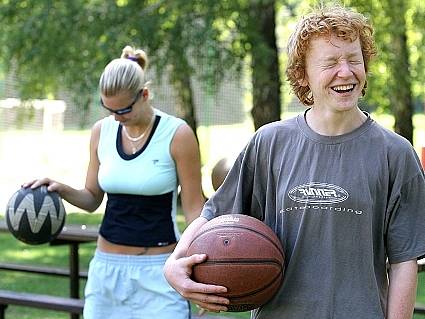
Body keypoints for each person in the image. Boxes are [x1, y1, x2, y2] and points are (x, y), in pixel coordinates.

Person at [163, 5, 425, 319]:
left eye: (354, 59)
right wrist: (173, 264)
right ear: (302, 74)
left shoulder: (395, 153)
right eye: (330, 62)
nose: (346, 71)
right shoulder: (269, 143)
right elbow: (214, 213)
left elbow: (403, 261)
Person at [24, 45, 205, 318]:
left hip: (159, 270)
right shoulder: (101, 131)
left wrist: (202, 272)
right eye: (108, 110)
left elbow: (194, 210)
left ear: (144, 95)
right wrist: (60, 189)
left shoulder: (177, 134)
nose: (116, 118)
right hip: (105, 270)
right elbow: (91, 197)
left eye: (123, 110)